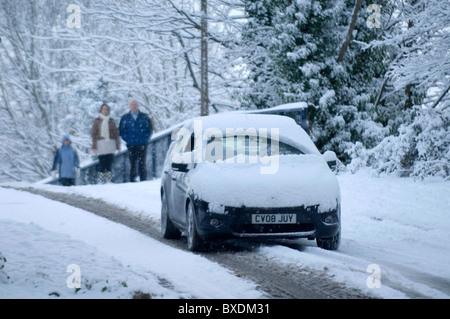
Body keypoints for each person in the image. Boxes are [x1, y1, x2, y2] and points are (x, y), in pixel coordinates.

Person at [119, 99, 153, 182]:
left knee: (142, 163)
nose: (134, 106)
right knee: (132, 164)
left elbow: (149, 129)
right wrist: (128, 139)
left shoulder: (144, 117)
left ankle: (143, 180)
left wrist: (145, 138)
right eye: (132, 105)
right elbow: (121, 131)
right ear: (130, 106)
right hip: (131, 144)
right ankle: (132, 181)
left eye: (135, 104)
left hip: (142, 144)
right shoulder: (125, 118)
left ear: (138, 106)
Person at [91, 103, 121, 183]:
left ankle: (108, 180)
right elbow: (94, 134)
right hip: (100, 143)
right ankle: (101, 180)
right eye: (104, 109)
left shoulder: (111, 121)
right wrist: (94, 146)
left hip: (110, 143)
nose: (105, 111)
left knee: (109, 162)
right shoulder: (97, 121)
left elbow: (116, 134)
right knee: (102, 162)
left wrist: (118, 146)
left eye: (107, 109)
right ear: (101, 110)